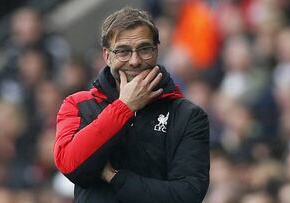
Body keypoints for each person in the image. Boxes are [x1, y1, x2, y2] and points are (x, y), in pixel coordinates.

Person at [53, 7, 210, 203]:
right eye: (123, 51)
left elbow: (187, 195)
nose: (134, 61)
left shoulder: (188, 115)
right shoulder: (78, 104)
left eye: (144, 49)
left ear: (156, 51)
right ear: (107, 56)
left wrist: (115, 177)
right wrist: (124, 107)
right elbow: (70, 165)